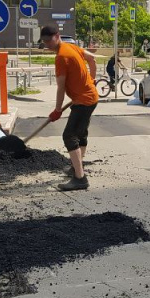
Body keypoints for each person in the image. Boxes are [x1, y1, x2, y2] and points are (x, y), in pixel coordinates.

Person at [41, 23, 98, 191]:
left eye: (49, 40)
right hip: (90, 97)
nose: (48, 44)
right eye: (45, 41)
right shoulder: (70, 47)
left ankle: (80, 178)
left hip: (84, 101)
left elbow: (61, 87)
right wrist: (91, 81)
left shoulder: (61, 57)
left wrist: (57, 110)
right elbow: (91, 59)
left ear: (57, 36)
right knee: (80, 134)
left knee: (69, 136)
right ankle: (76, 168)